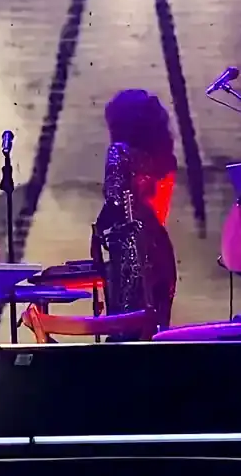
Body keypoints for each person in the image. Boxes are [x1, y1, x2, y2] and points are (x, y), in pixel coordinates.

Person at [94, 89, 178, 335]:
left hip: (131, 254)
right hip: (161, 252)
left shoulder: (119, 152)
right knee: (154, 334)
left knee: (125, 335)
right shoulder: (161, 159)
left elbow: (115, 202)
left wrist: (100, 229)